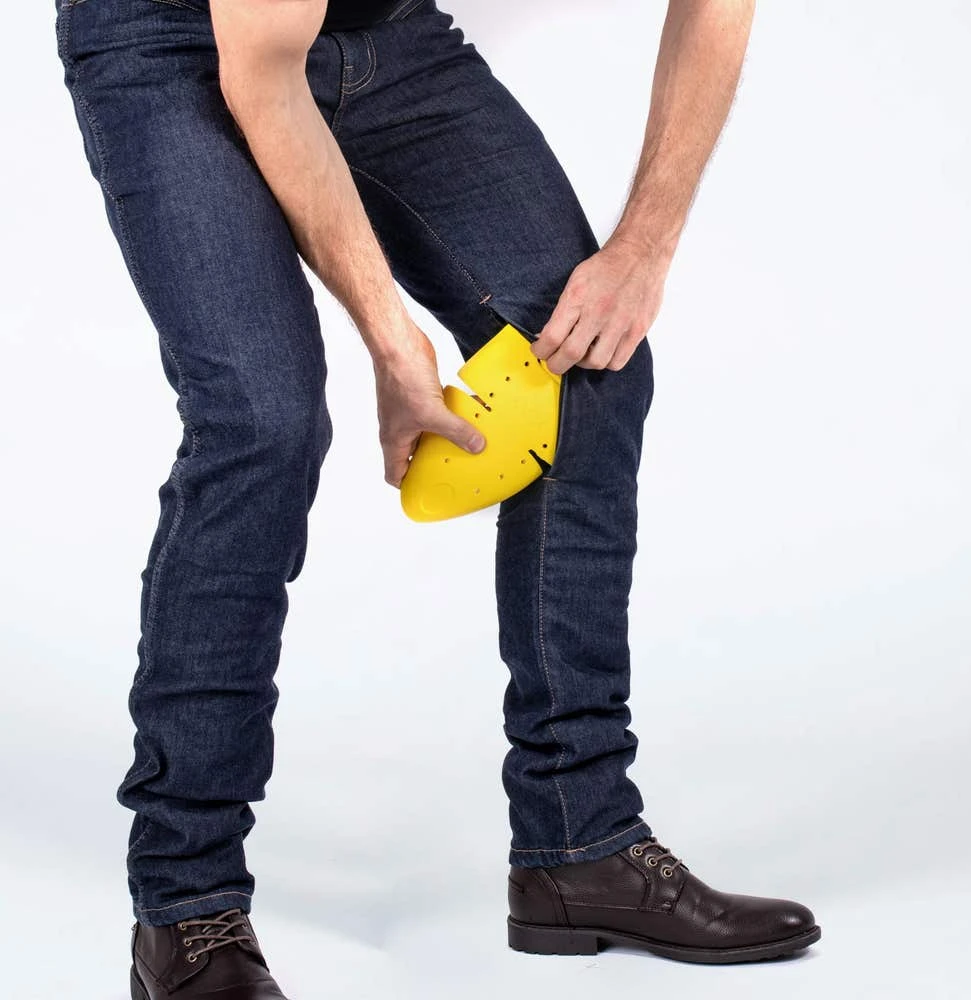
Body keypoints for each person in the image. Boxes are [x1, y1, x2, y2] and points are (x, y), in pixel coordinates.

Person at [53, 0, 819, 994]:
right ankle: (186, 905)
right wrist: (390, 337)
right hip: (176, 42)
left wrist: (644, 246)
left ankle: (579, 844)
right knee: (262, 420)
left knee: (587, 368)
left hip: (385, 34)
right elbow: (263, 71)